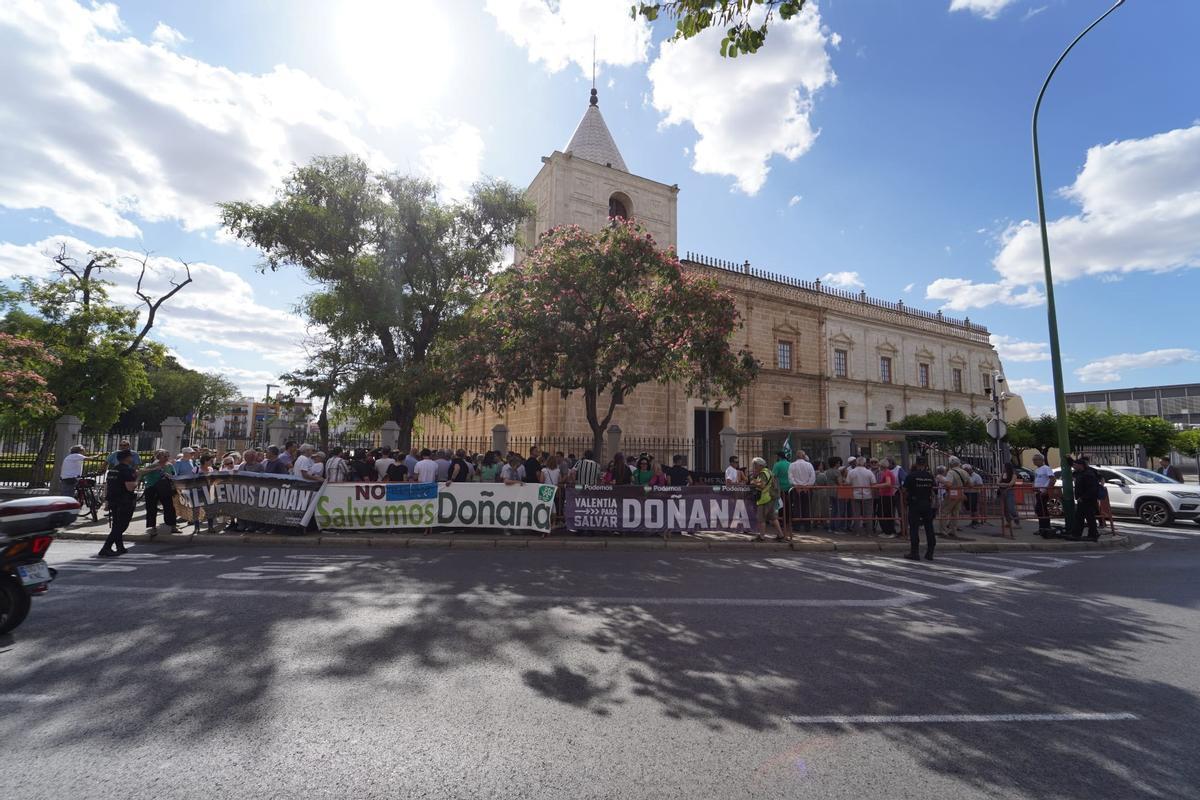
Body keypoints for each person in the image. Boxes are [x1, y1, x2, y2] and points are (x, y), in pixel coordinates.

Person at [99, 449, 138, 558]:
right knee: (121, 526)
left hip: (113, 500)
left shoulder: (113, 470)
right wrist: (138, 478)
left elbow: (108, 486)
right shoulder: (127, 470)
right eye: (131, 456)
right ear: (127, 458)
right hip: (124, 501)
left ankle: (120, 546)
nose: (132, 458)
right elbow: (130, 487)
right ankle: (106, 548)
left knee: (117, 525)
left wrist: (106, 501)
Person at [903, 457, 937, 561]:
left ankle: (914, 553)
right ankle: (930, 553)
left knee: (914, 528)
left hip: (914, 503)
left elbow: (904, 489)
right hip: (927, 503)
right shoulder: (929, 476)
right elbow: (934, 489)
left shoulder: (911, 476)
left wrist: (906, 500)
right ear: (925, 464)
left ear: (916, 464)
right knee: (929, 528)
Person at [749, 457, 786, 542]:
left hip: (764, 498)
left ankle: (762, 537)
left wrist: (753, 481)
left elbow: (762, 485)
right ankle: (781, 535)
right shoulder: (769, 471)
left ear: (760, 465)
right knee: (773, 518)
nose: (754, 467)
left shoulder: (763, 473)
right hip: (770, 497)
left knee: (761, 518)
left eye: (755, 465)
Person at [141, 449, 177, 533]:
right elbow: (141, 472)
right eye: (165, 456)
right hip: (152, 488)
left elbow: (174, 476)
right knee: (151, 508)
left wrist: (169, 476)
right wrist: (153, 469)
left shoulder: (169, 465)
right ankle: (153, 527)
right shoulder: (153, 465)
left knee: (169, 507)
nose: (167, 458)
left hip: (165, 489)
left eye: (168, 456)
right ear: (159, 457)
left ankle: (173, 527)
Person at [1068, 456, 1101, 541]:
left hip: (1088, 500)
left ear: (1081, 465)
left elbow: (1092, 488)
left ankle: (1093, 534)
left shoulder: (1088, 474)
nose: (1074, 467)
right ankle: (1076, 534)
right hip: (1082, 500)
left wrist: (1083, 497)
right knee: (1079, 517)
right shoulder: (1080, 473)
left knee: (1090, 518)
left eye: (1075, 465)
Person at [786, 450, 816, 533]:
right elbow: (812, 477)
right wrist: (808, 486)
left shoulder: (792, 465)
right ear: (804, 456)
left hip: (796, 489)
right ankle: (807, 526)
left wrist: (796, 485)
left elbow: (790, 477)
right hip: (807, 489)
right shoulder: (809, 465)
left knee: (797, 507)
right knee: (807, 507)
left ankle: (797, 526)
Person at [941, 457, 970, 539]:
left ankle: (943, 531)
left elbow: (949, 484)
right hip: (960, 494)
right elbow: (970, 484)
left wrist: (944, 483)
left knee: (944, 512)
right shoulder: (964, 472)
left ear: (951, 464)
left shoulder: (951, 472)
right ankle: (953, 531)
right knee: (955, 513)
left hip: (952, 494)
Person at [847, 458, 876, 533]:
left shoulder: (851, 472)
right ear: (865, 463)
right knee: (868, 514)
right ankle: (869, 532)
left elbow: (848, 483)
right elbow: (873, 483)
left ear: (856, 463)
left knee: (856, 514)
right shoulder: (869, 472)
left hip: (855, 495)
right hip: (867, 495)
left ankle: (857, 531)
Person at [1032, 453, 1055, 536]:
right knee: (1040, 510)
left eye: (1035, 460)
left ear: (1041, 460)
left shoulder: (1046, 468)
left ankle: (1045, 527)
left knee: (1042, 510)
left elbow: (1052, 479)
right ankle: (1042, 528)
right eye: (1033, 460)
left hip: (1043, 492)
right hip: (1038, 492)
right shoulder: (1037, 470)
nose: (1034, 461)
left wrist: (1046, 490)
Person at [875, 457, 898, 538]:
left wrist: (877, 485)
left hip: (887, 496)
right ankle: (889, 531)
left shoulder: (887, 473)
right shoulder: (887, 472)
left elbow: (888, 483)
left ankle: (888, 531)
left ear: (882, 466)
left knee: (883, 513)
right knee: (887, 513)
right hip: (887, 495)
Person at [771, 451, 792, 529]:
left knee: (780, 505)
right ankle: (787, 521)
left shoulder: (777, 465)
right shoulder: (790, 464)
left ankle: (780, 521)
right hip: (790, 488)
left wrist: (773, 486)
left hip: (780, 488)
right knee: (788, 505)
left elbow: (773, 476)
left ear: (779, 457)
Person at [999, 456, 1020, 528]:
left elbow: (1011, 484)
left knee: (1011, 507)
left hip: (1009, 491)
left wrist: (1002, 484)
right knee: (1005, 508)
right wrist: (1004, 484)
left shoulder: (1013, 474)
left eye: (1004, 467)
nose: (1003, 468)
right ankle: (1008, 522)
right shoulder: (1002, 474)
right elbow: (997, 482)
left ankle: (1017, 522)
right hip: (1002, 491)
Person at [963, 464, 983, 528]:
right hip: (966, 493)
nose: (965, 472)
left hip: (974, 493)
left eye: (966, 470)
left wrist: (972, 486)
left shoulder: (976, 476)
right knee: (969, 508)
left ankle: (976, 521)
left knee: (974, 508)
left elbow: (980, 485)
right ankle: (973, 521)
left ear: (970, 469)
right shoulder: (965, 476)